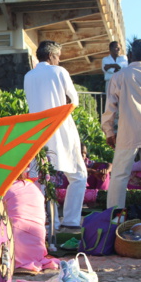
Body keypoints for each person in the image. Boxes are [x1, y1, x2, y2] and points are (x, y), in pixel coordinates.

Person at [24, 40, 87, 229]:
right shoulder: (60, 72)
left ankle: (43, 220)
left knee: (40, 179)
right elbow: (73, 101)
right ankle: (71, 221)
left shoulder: (29, 76)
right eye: (58, 57)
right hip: (61, 129)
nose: (59, 60)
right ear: (51, 56)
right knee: (79, 176)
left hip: (38, 132)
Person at [101, 39, 141, 209]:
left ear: (130, 56)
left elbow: (110, 108)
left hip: (128, 131)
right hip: (128, 131)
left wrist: (109, 132)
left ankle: (114, 218)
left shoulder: (119, 76)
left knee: (119, 176)